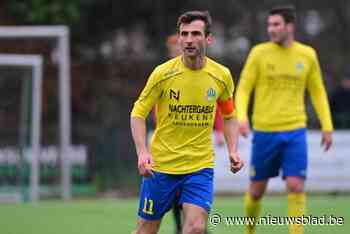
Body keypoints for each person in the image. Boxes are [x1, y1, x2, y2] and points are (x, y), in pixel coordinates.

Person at [130, 10, 244, 234]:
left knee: (195, 228)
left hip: (199, 167)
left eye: (195, 34)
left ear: (208, 38)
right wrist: (142, 152)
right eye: (184, 34)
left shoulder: (221, 75)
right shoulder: (162, 74)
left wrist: (233, 150)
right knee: (146, 230)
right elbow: (138, 113)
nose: (189, 40)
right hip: (161, 168)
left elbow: (229, 115)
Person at [235, 5, 333, 234]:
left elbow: (317, 91)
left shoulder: (307, 54)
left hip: (295, 130)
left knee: (295, 185)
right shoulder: (259, 53)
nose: (271, 29)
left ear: (290, 26)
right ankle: (249, 230)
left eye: (276, 24)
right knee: (256, 191)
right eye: (269, 25)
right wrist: (241, 117)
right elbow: (243, 89)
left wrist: (327, 125)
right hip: (264, 131)